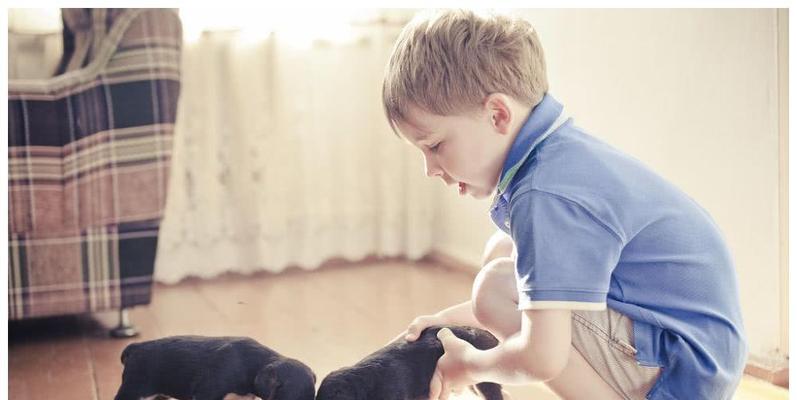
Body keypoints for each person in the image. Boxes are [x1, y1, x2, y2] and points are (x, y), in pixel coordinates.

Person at [382, 9, 747, 400]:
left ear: (498, 114)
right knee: (503, 251)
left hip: (682, 373)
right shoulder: (560, 158)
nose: (429, 169)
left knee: (494, 286)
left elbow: (542, 357)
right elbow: (543, 296)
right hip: (696, 351)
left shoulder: (545, 195)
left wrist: (468, 366)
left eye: (435, 146)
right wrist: (446, 324)